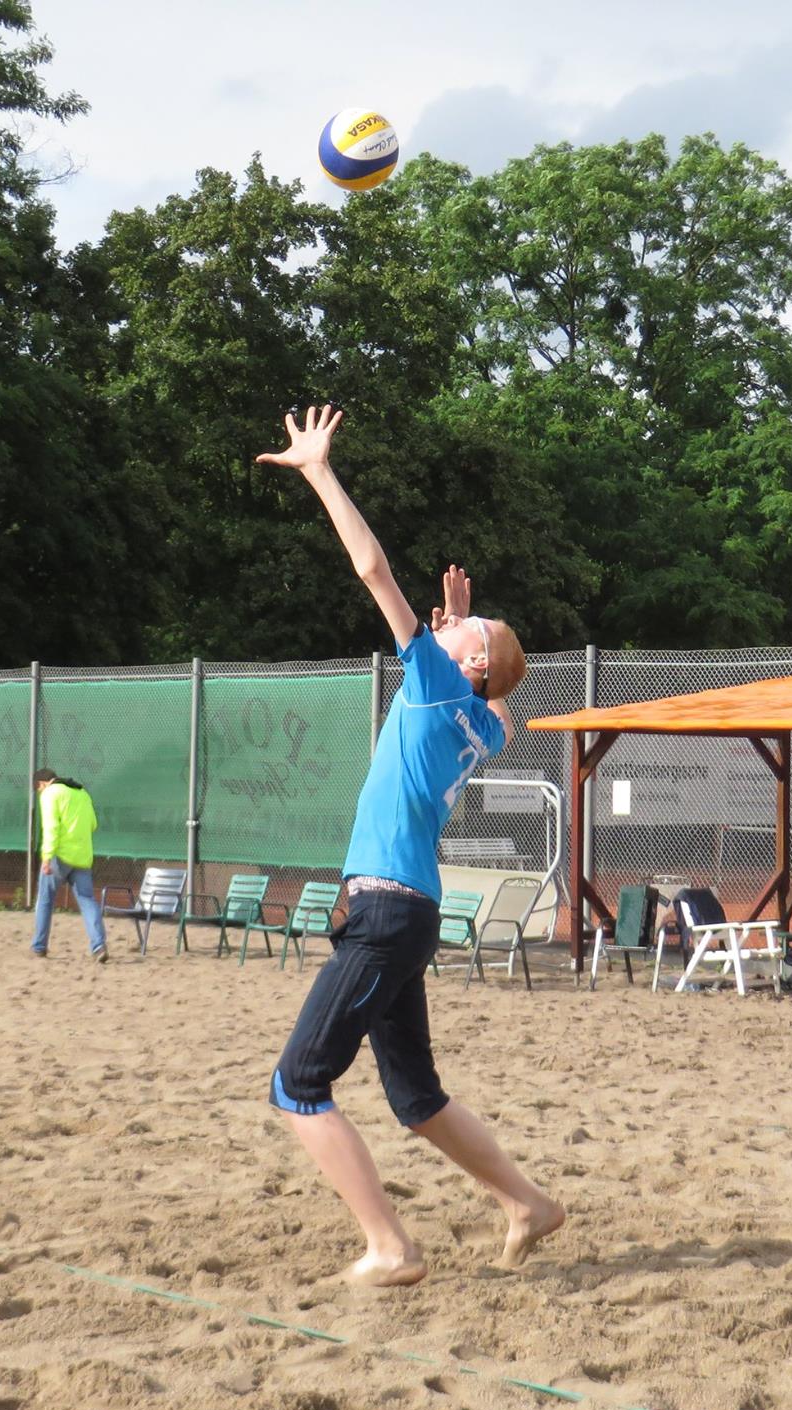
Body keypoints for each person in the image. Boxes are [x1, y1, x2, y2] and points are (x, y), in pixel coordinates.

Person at [255, 403, 562, 1287]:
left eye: (470, 627)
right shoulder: (480, 720)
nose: (455, 620)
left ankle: (391, 1247)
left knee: (298, 1086)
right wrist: (468, 631)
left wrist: (319, 471)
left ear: (467, 664)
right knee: (416, 1097)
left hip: (387, 908)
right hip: (410, 911)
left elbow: (372, 568)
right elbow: (502, 708)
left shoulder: (435, 684)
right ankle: (527, 1203)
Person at [30, 767, 107, 963]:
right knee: (87, 900)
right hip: (82, 857)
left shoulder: (50, 794)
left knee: (45, 899)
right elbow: (93, 824)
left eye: (38, 789)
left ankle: (39, 946)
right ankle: (99, 946)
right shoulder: (82, 793)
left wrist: (46, 857)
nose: (39, 793)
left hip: (60, 857)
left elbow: (51, 827)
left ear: (42, 784)